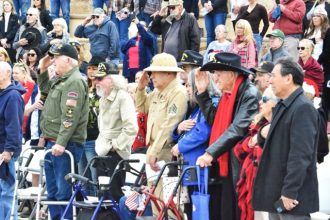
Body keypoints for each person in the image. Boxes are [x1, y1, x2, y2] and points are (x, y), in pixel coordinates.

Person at [195, 52, 259, 220]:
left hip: (239, 163)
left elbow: (237, 128)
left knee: (236, 212)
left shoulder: (249, 94)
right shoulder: (227, 94)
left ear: (231, 74)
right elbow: (214, 121)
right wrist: (202, 94)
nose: (215, 78)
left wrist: (210, 153)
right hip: (226, 161)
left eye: (218, 73)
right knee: (225, 211)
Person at [253, 58, 319, 220]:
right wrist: (262, 133)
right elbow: (275, 139)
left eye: (274, 75)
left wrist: (289, 192)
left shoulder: (302, 107)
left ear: (288, 78)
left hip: (291, 199)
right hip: (277, 192)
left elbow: (301, 155)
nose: (270, 80)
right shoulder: (285, 105)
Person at [37, 43, 89, 219]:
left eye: (56, 58)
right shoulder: (62, 79)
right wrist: (42, 69)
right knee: (52, 192)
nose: (53, 62)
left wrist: (60, 142)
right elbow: (45, 89)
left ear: (67, 60)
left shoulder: (74, 81)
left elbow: (70, 116)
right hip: (53, 142)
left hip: (65, 144)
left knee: (62, 192)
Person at [135, 53, 188, 213]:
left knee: (170, 202)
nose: (151, 76)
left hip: (167, 152)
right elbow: (142, 107)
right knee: (156, 200)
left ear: (169, 73)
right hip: (155, 150)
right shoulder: (158, 92)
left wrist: (155, 151)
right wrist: (141, 88)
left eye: (155, 72)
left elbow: (169, 124)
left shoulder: (178, 92)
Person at [171, 70, 220, 219]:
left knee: (200, 208)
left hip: (201, 167)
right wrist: (177, 130)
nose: (187, 89)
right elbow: (187, 129)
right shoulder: (196, 107)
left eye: (189, 85)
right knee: (190, 208)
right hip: (191, 166)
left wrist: (180, 146)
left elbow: (202, 132)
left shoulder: (212, 102)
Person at [93, 62, 138, 202]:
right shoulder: (102, 99)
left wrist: (116, 145)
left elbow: (131, 127)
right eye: (96, 79)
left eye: (100, 79)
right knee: (102, 194)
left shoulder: (123, 97)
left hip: (116, 154)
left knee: (115, 194)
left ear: (112, 80)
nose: (96, 82)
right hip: (103, 151)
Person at [234, 87, 277, 220]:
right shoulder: (257, 124)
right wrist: (255, 139)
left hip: (267, 185)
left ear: (277, 103)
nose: (260, 102)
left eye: (265, 99)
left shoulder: (280, 127)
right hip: (251, 181)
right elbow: (238, 150)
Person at [0, 61, 25, 220]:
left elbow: (14, 126)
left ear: (6, 74)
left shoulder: (13, 96)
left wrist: (8, 150)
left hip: (5, 150)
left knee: (6, 192)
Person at [77, 56, 104, 196]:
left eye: (94, 68)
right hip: (81, 137)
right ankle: (85, 211)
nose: (91, 71)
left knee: (95, 178)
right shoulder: (84, 87)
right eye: (89, 68)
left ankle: (97, 213)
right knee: (82, 178)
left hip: (95, 138)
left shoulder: (103, 91)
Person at [122, 18, 155, 83]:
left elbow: (145, 36)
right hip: (130, 72)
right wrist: (133, 43)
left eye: (142, 26)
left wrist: (138, 24)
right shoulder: (132, 40)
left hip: (142, 71)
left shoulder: (149, 39)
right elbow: (123, 48)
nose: (139, 28)